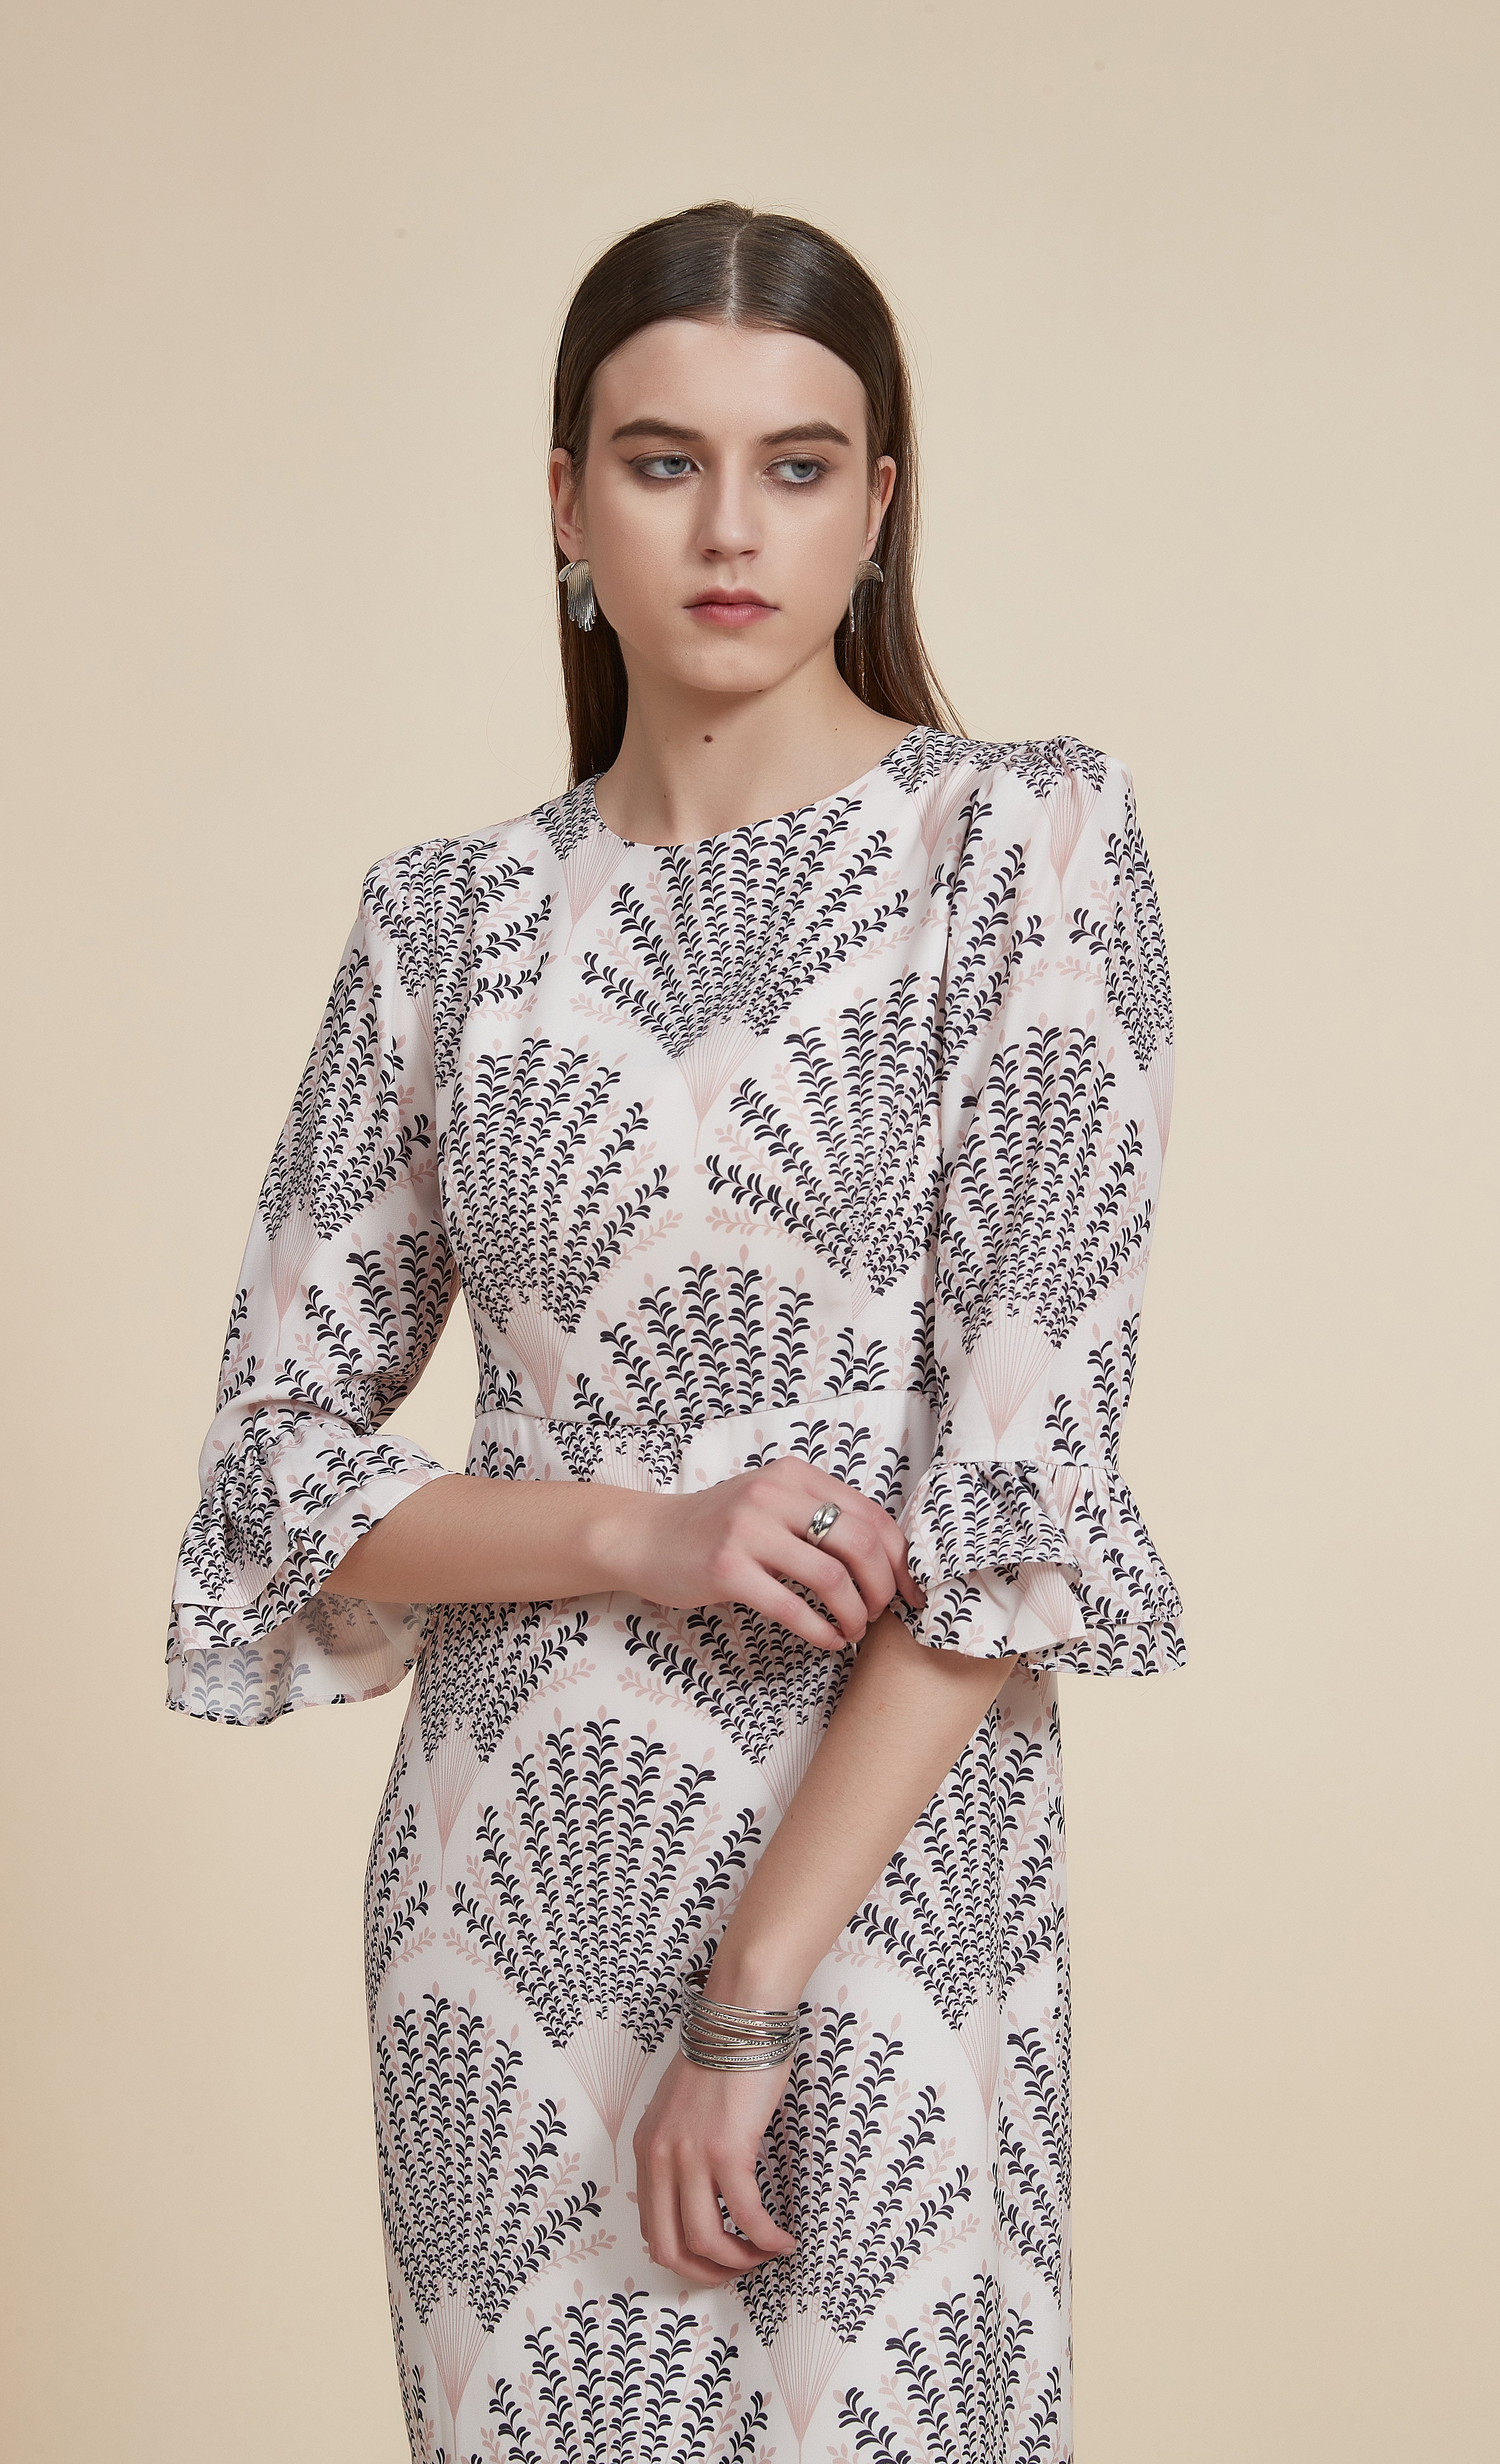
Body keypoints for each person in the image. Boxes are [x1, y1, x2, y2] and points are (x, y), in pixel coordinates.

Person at [168, 200, 1182, 2463]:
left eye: (796, 466)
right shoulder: (443, 922)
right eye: (661, 462)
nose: (731, 529)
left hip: (873, 1890)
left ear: (878, 505)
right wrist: (638, 1533)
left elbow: (1017, 1501)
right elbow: (275, 1476)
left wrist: (751, 1993)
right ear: (565, 503)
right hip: (502, 1912)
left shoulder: (1020, 848)